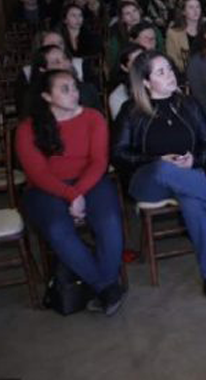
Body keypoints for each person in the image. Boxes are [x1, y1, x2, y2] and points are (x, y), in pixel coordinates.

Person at [113, 51, 206, 297]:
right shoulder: (131, 110)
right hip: (147, 179)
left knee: (192, 200)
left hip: (188, 179)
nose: (170, 75)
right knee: (166, 168)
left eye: (170, 70)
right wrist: (156, 160)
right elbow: (118, 154)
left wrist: (194, 159)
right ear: (145, 81)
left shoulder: (189, 104)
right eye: (161, 72)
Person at [16, 70, 125, 315]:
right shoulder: (27, 128)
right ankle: (106, 288)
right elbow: (37, 174)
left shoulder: (93, 118)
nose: (74, 93)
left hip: (90, 180)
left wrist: (78, 192)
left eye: (74, 87)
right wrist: (70, 195)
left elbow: (98, 161)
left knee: (108, 220)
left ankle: (105, 285)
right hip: (47, 188)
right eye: (64, 89)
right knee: (57, 228)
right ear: (46, 96)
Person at [165, 0, 203, 72]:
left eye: (198, 7)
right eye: (191, 7)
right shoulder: (173, 33)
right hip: (185, 73)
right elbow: (172, 60)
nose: (195, 11)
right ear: (183, 12)